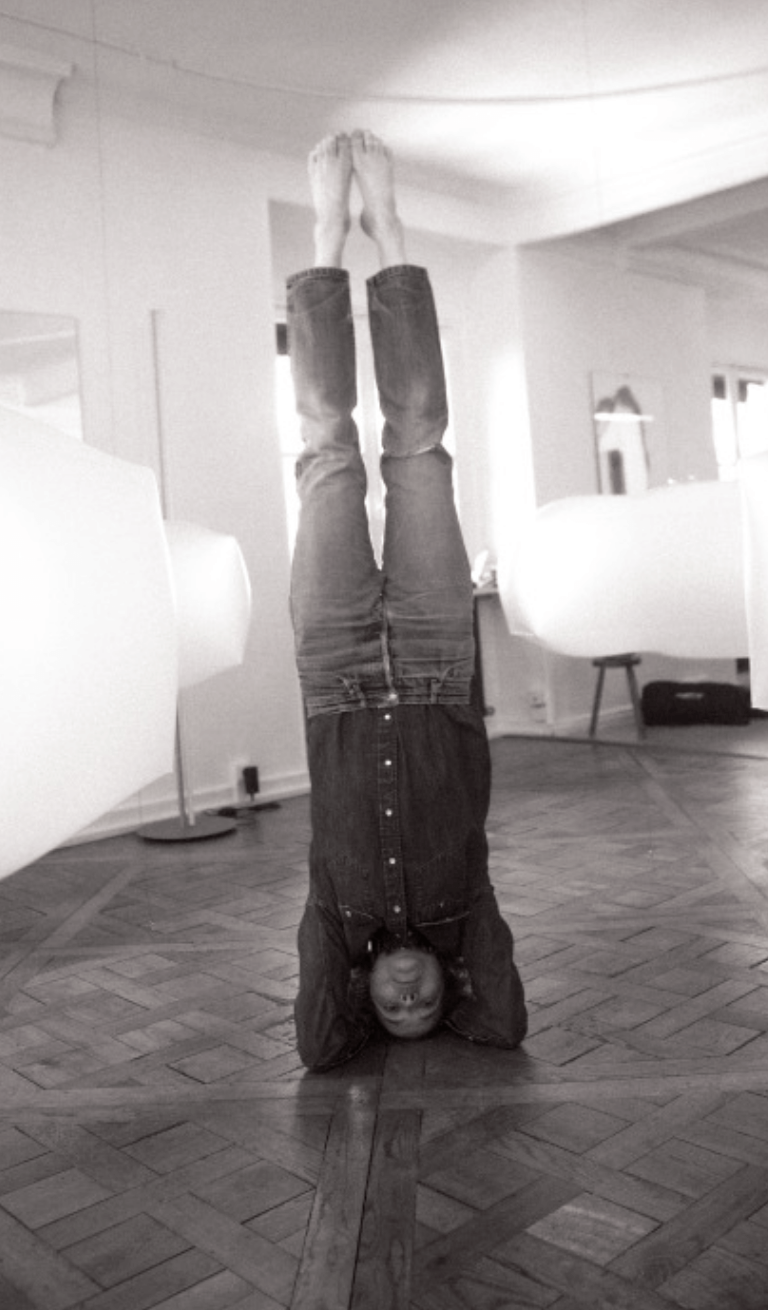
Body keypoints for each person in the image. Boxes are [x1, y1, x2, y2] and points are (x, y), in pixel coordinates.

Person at [288, 130, 527, 1070]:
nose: (409, 997)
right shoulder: (464, 908)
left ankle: (320, 240)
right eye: (426, 1008)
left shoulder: (333, 912)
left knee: (325, 454)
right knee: (419, 448)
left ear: (367, 1000)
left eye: (394, 1015)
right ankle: (389, 236)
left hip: (335, 669)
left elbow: (314, 1046)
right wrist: (467, 988)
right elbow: (504, 1019)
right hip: (435, 662)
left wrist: (343, 984)